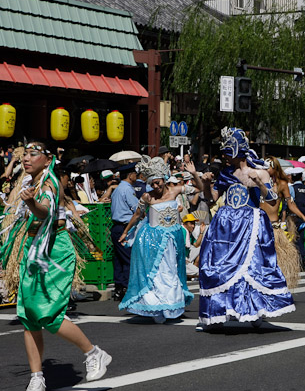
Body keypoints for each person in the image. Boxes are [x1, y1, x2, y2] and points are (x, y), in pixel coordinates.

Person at [0, 141, 111, 391]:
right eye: (25, 154)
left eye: (33, 155)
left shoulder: (51, 184)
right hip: (32, 247)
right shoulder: (30, 183)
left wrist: (30, 204)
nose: (27, 159)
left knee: (48, 314)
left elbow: (44, 212)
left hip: (54, 251)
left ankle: (93, 353)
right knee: (28, 315)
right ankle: (37, 378)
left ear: (47, 160)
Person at [197, 128, 295, 331]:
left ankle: (255, 311)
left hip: (250, 223)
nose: (223, 156)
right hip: (226, 227)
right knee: (221, 267)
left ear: (237, 151)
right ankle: (222, 310)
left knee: (253, 268)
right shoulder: (224, 173)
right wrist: (206, 185)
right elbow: (211, 199)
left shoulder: (259, 172)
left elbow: (272, 200)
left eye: (226, 151)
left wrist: (261, 184)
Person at [117, 157, 198, 323]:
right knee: (158, 274)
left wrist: (194, 174)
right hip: (153, 241)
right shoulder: (148, 197)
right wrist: (126, 232)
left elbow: (199, 189)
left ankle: (170, 305)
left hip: (173, 240)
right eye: (152, 183)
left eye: (158, 183)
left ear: (164, 179)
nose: (155, 186)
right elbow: (138, 215)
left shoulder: (175, 191)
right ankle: (158, 307)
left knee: (172, 272)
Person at [262, 156, 305, 289]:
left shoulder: (282, 184)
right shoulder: (257, 183)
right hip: (259, 226)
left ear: (275, 167)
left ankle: (277, 287)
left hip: (274, 227)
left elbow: (291, 204)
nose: (264, 168)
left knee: (277, 260)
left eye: (268, 167)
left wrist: (304, 217)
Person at [109, 163, 139, 301]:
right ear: (130, 175)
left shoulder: (117, 189)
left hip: (116, 226)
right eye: (135, 174)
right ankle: (127, 288)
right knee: (129, 258)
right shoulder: (127, 189)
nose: (136, 176)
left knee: (119, 259)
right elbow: (137, 210)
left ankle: (119, 288)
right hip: (125, 227)